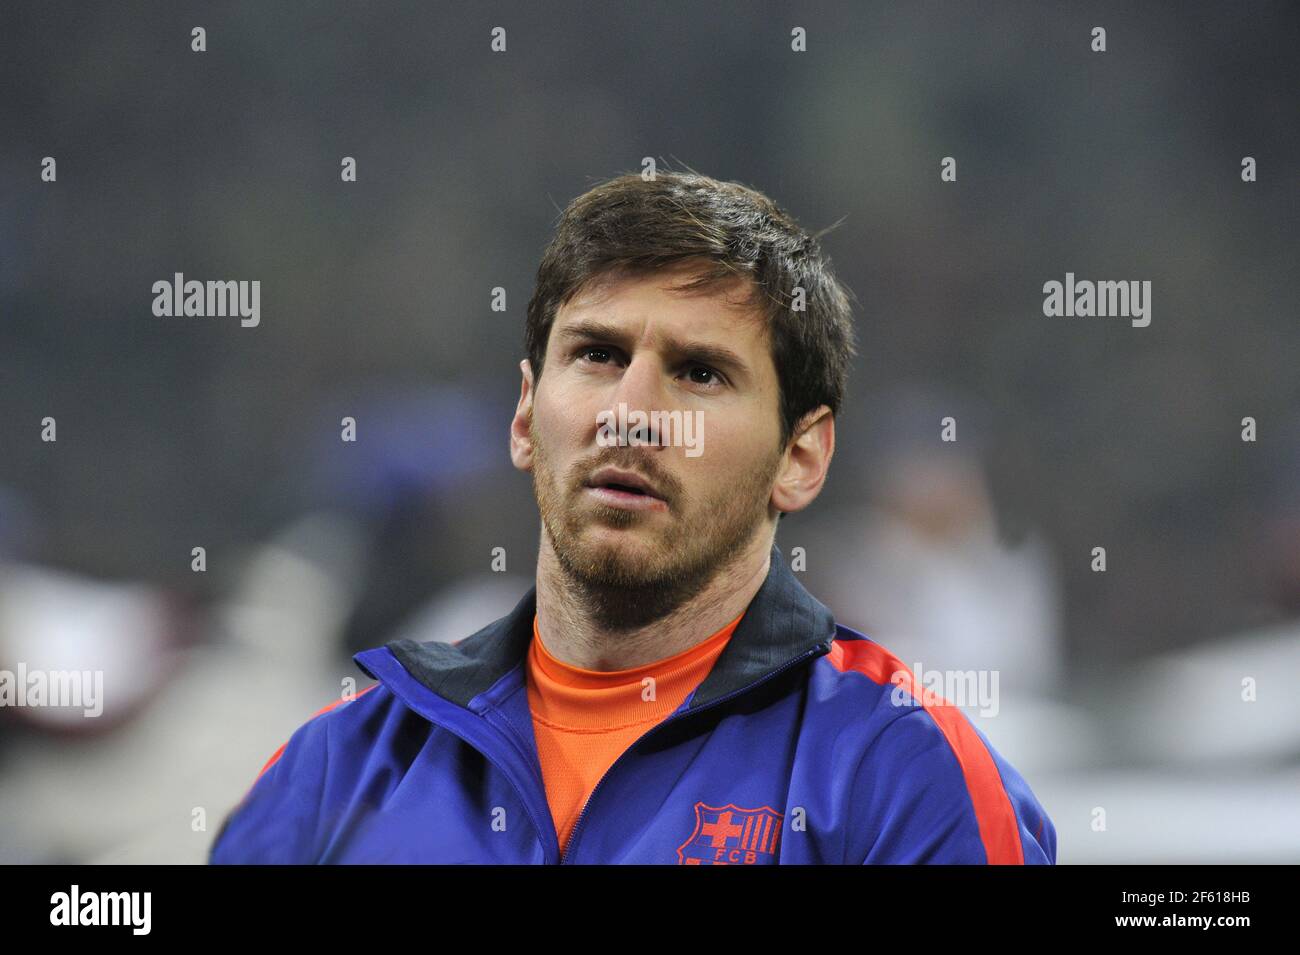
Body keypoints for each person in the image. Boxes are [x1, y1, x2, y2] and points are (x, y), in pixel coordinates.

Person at [209, 170, 1056, 864]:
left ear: (800, 457)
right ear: (525, 416)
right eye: (598, 354)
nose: (631, 414)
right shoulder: (337, 769)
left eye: (699, 372)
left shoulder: (903, 774)